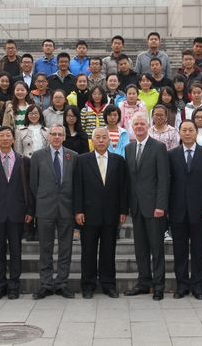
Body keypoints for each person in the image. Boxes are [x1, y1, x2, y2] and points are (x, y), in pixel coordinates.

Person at [74, 127, 128, 298]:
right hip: (88, 214)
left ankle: (108, 284)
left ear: (109, 140)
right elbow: (78, 187)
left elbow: (123, 187)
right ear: (92, 140)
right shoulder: (82, 160)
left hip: (111, 214)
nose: (101, 140)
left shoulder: (118, 160)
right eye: (98, 137)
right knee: (88, 251)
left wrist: (123, 210)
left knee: (108, 251)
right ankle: (88, 285)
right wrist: (78, 211)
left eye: (104, 137)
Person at [0, 126, 33, 300]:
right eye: (1, 136)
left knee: (16, 251)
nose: (5, 138)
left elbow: (29, 188)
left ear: (13, 139)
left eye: (8, 135)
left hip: (18, 212)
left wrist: (29, 210)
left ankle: (14, 287)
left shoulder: (23, 161)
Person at [123, 113, 169, 300]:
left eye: (142, 123)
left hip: (154, 207)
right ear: (132, 127)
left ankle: (158, 286)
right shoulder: (128, 148)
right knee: (140, 249)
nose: (139, 127)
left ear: (148, 126)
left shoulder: (158, 147)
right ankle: (143, 282)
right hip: (136, 207)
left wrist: (161, 205)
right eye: (136, 124)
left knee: (156, 248)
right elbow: (129, 179)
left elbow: (163, 179)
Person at [168, 120, 202, 300]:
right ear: (179, 133)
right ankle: (182, 285)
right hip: (177, 210)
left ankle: (198, 286)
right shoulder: (171, 155)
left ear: (196, 132)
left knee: (198, 250)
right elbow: (168, 183)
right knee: (179, 250)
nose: (187, 133)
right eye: (184, 130)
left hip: (199, 210)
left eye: (190, 130)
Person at [29, 124, 78, 299]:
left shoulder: (73, 156)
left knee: (66, 248)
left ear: (64, 137)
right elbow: (33, 184)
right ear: (48, 136)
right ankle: (46, 284)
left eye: (60, 134)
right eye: (53, 134)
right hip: (45, 208)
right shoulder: (37, 156)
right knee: (45, 247)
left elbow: (76, 184)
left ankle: (62, 283)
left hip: (67, 208)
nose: (56, 137)